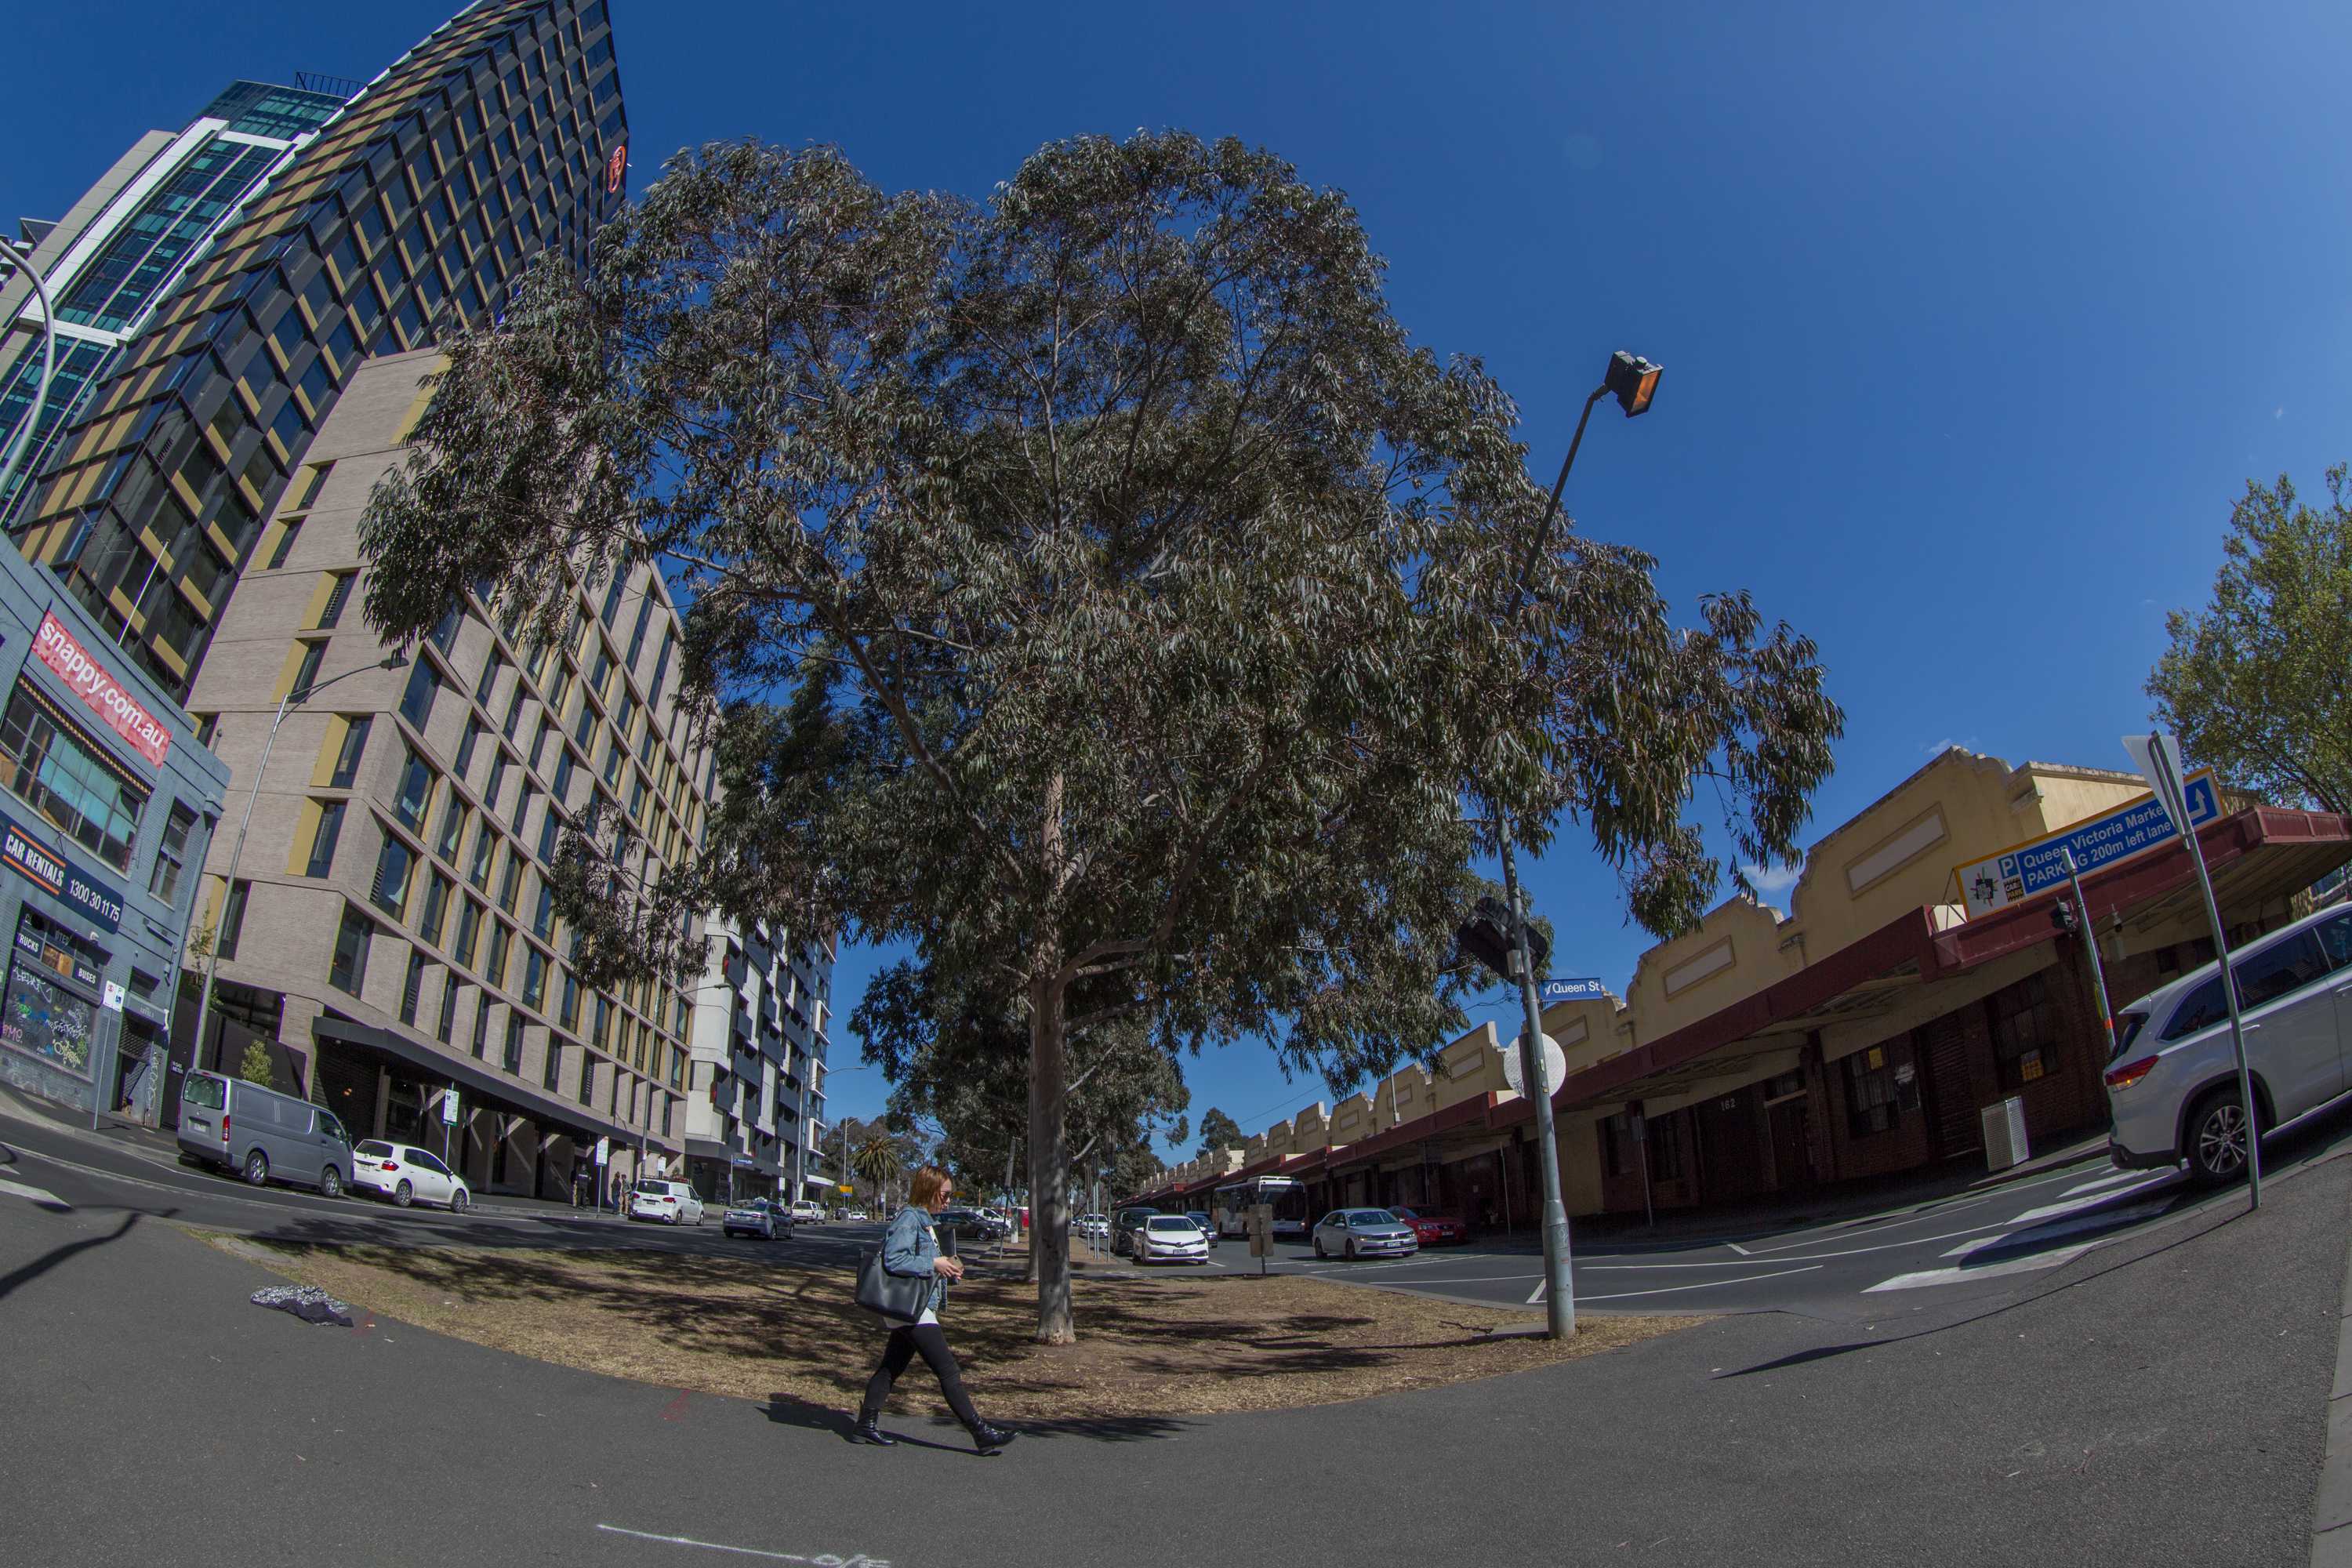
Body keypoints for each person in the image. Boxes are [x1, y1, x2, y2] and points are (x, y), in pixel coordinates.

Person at [850, 1166, 1017, 1456]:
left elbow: (924, 1262)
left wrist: (946, 1269)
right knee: (948, 1370)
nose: (948, 1200)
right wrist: (934, 1264)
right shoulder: (909, 1218)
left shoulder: (925, 1221)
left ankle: (865, 1424)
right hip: (912, 1308)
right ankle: (981, 1432)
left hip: (910, 1308)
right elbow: (894, 1259)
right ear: (928, 1190)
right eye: (944, 1194)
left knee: (891, 1367)